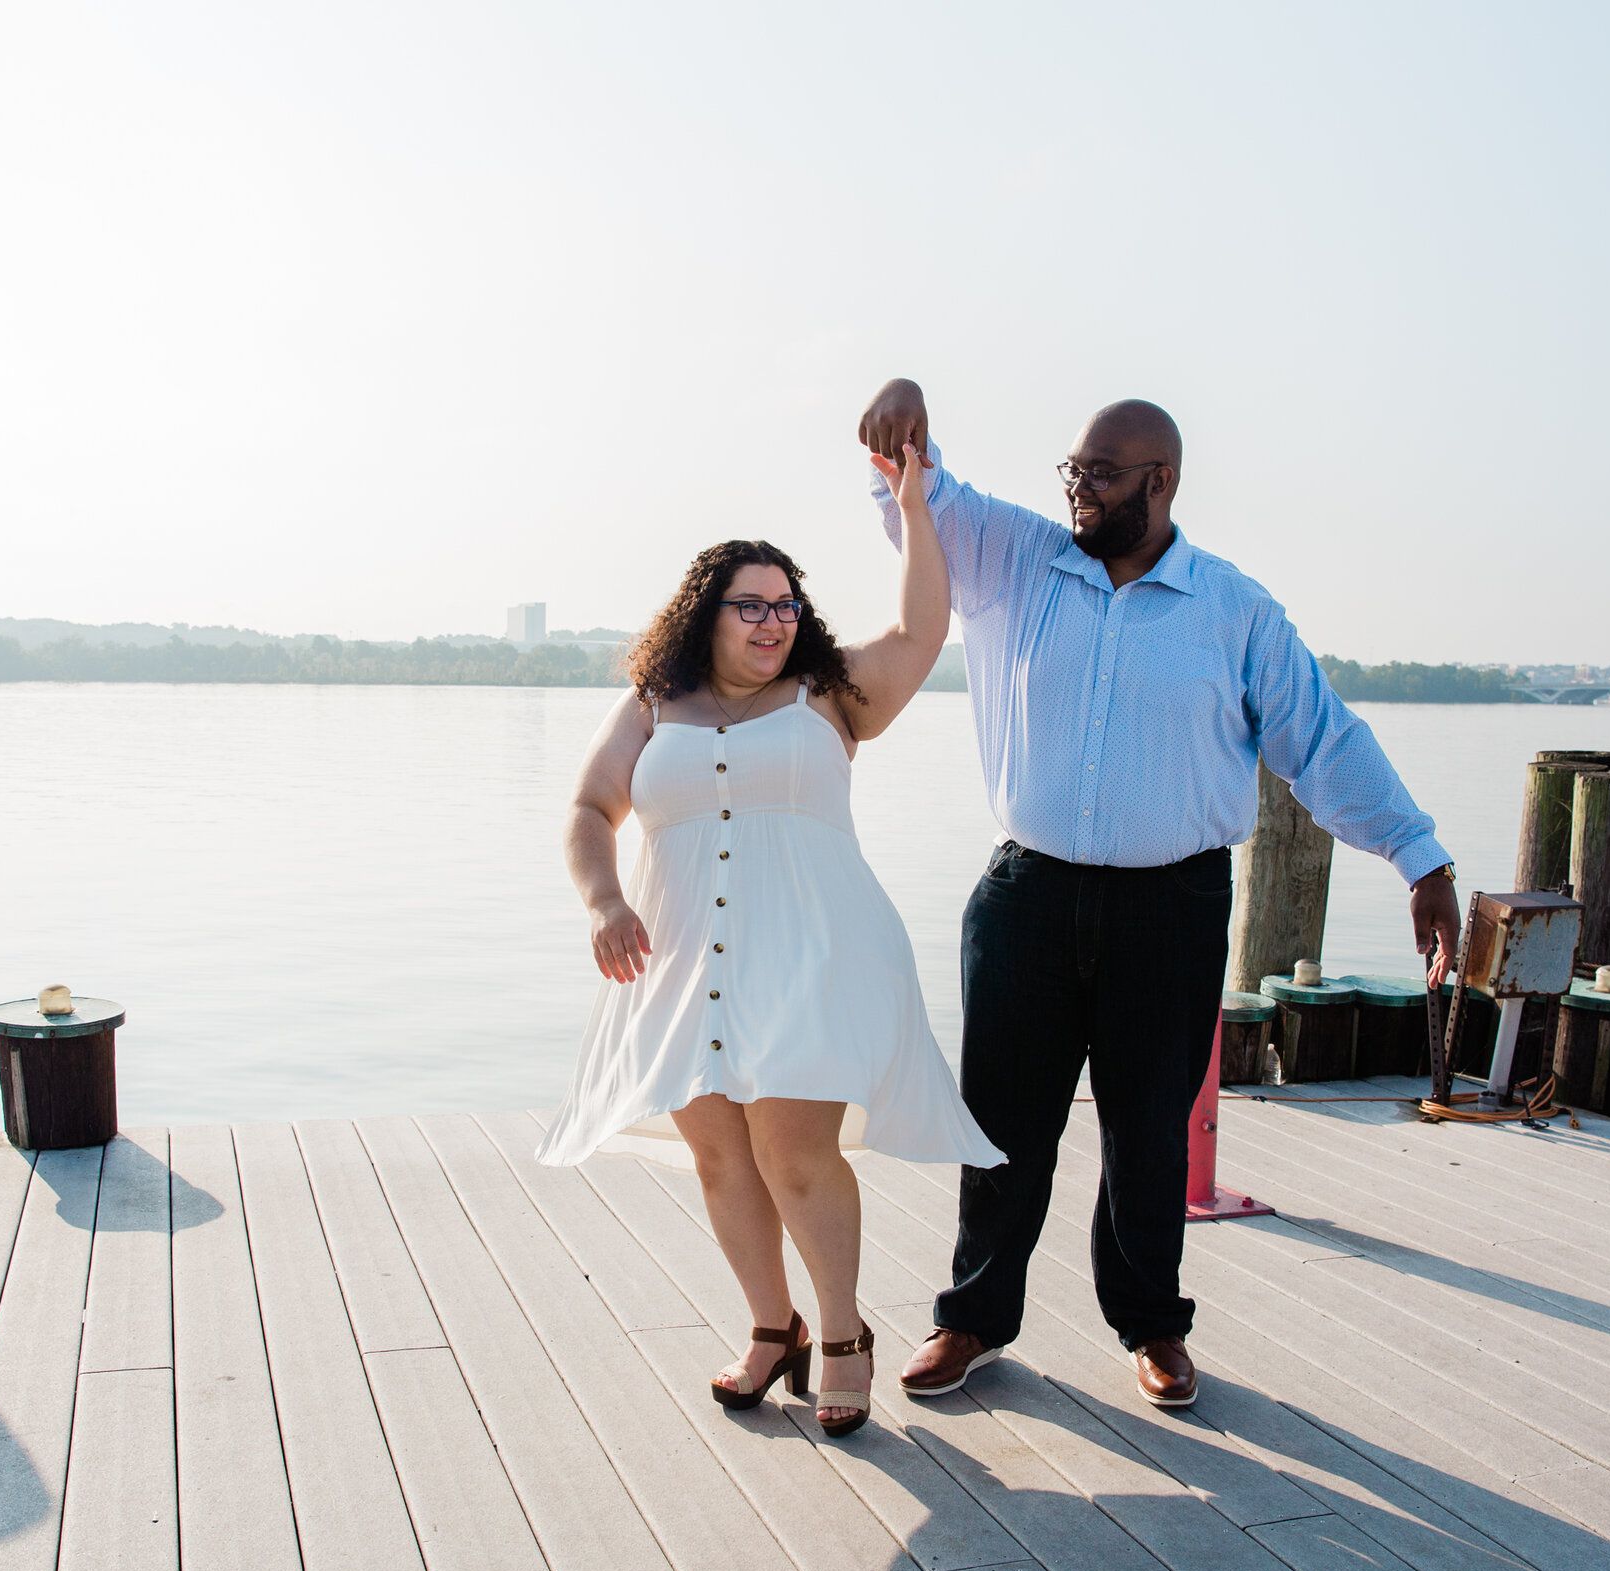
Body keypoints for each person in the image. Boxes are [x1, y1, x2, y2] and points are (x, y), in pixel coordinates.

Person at [855, 378, 1460, 1409]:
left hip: (1169, 907)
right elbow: (918, 490)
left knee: (1147, 1129)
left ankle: (1151, 1324)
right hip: (1026, 895)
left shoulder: (1234, 610)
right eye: (1073, 472)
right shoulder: (1016, 557)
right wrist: (901, 418)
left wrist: (1419, 854)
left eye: (1100, 475)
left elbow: (1320, 742)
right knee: (1001, 1120)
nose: (1079, 493)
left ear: (1160, 480)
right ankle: (970, 1318)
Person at [537, 443, 1004, 1439]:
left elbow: (921, 627)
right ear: (702, 614)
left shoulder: (829, 692)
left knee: (793, 1152)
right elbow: (586, 806)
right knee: (719, 1159)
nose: (773, 618)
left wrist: (915, 507)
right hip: (680, 960)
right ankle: (769, 1323)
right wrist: (600, 900)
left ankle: (841, 1334)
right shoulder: (651, 702)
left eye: (785, 602)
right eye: (750, 603)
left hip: (814, 952)